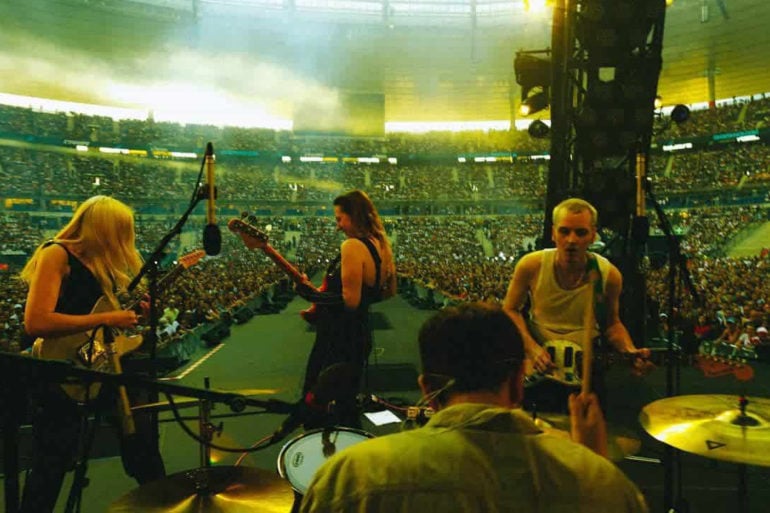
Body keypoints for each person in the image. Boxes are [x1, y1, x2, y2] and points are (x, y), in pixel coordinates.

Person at [299, 302, 648, 513]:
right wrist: (594, 461)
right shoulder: (603, 483)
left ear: (428, 391)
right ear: (516, 384)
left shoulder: (348, 476)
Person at [19, 195, 165, 513]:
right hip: (59, 373)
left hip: (102, 364)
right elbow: (36, 321)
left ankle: (163, 502)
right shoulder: (56, 254)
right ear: (104, 230)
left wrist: (134, 315)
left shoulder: (101, 267)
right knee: (51, 464)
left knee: (142, 445)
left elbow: (102, 323)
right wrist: (107, 318)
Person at [502, 198, 650, 410]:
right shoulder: (531, 266)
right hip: (539, 370)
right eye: (564, 231)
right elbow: (509, 309)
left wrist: (629, 350)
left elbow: (612, 324)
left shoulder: (608, 275)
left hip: (585, 372)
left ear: (593, 234)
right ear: (553, 233)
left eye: (580, 233)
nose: (571, 240)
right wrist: (532, 349)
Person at [295, 190, 396, 428]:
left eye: (340, 218)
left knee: (316, 402)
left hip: (337, 339)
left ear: (354, 216)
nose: (337, 225)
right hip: (359, 335)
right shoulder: (381, 243)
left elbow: (348, 301)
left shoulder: (351, 245)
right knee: (346, 404)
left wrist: (308, 294)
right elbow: (389, 292)